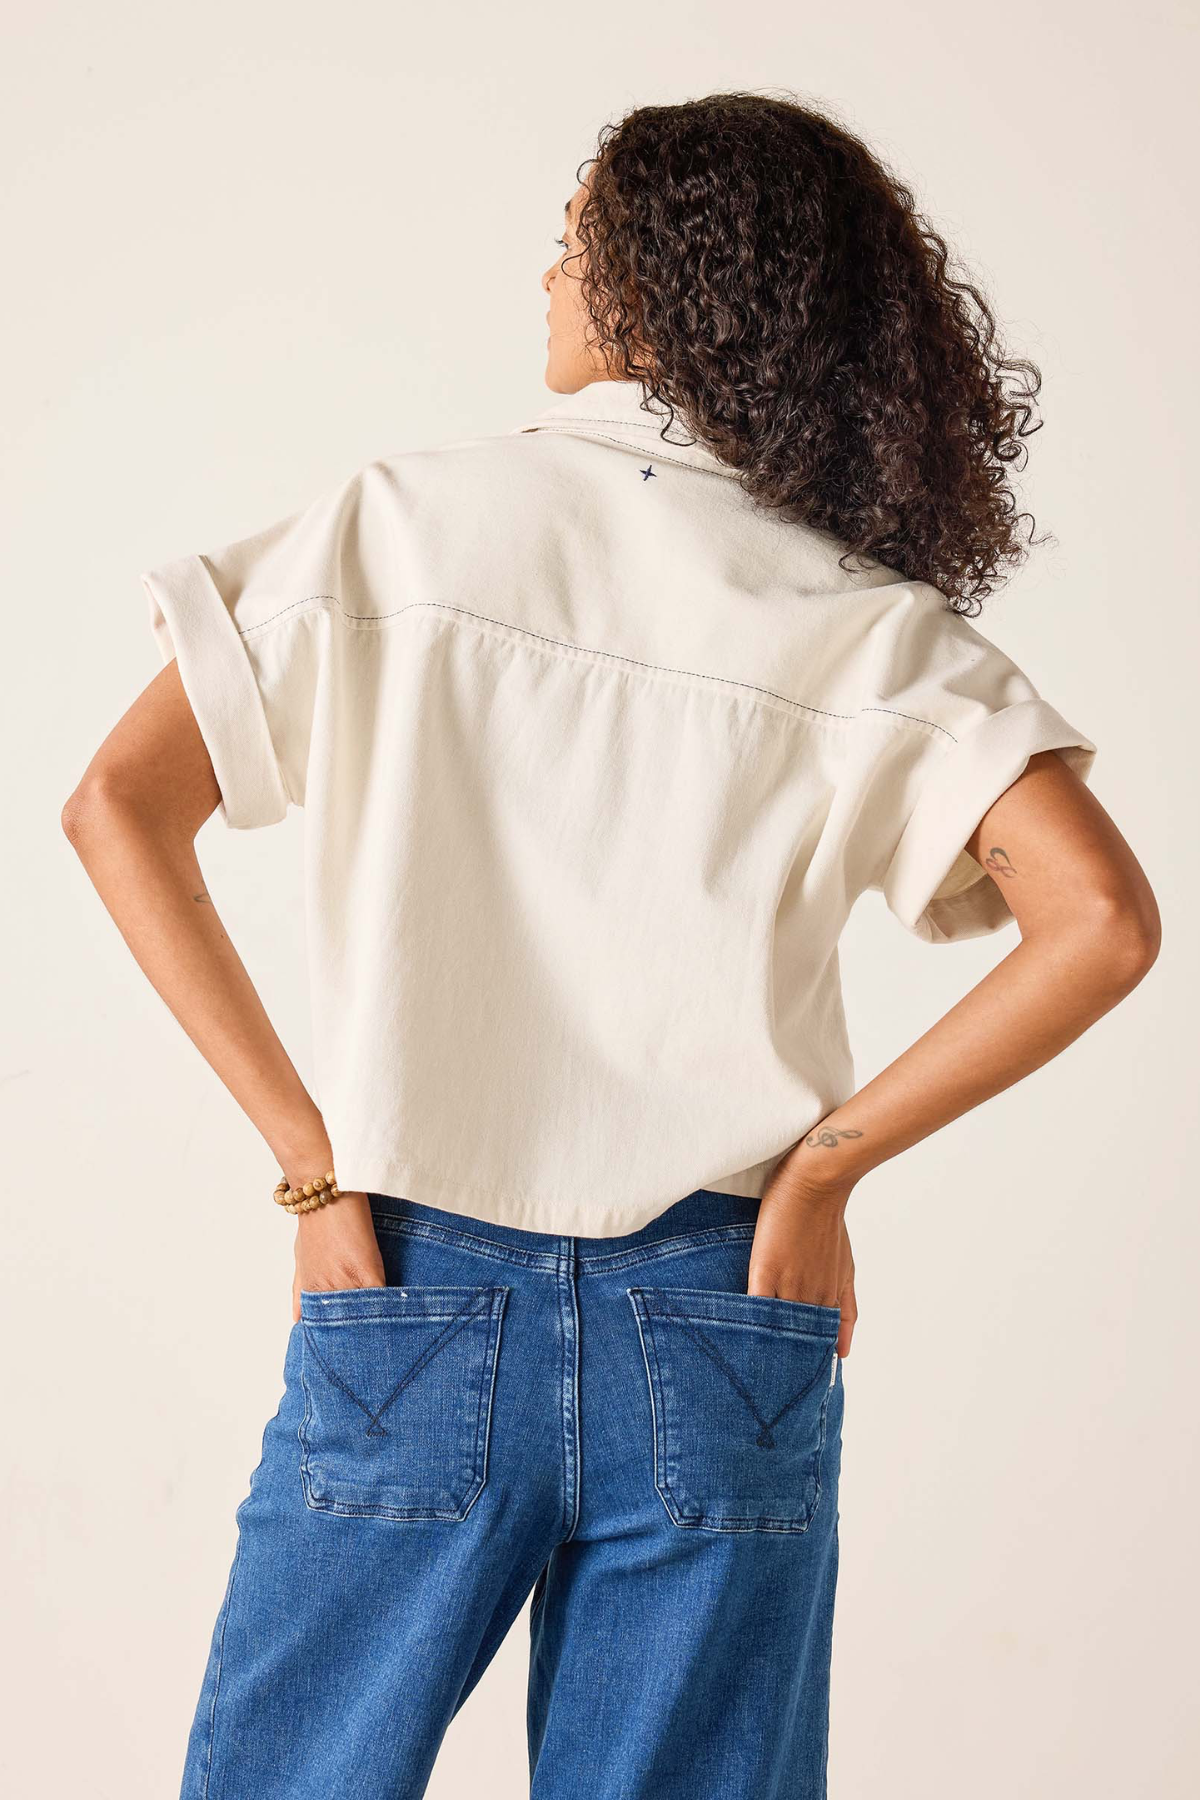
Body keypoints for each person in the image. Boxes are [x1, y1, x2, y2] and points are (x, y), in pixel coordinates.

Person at [62, 92, 1159, 1800]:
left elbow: (115, 805)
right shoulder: (859, 623)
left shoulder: (400, 530)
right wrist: (821, 1177)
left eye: (579, 229)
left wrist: (308, 1164)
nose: (551, 262)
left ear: (663, 280)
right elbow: (1097, 922)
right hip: (725, 1315)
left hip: (406, 1294)